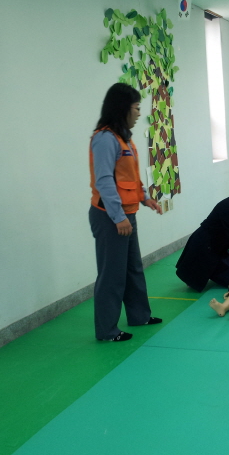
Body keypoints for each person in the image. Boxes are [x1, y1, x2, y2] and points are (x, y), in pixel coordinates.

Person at [88, 83, 163, 342]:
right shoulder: (105, 139)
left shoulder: (123, 138)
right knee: (112, 275)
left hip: (127, 213)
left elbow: (129, 176)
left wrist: (145, 198)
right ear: (123, 109)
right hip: (110, 217)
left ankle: (140, 315)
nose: (139, 113)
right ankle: (107, 331)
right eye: (136, 108)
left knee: (133, 269)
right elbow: (104, 181)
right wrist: (118, 217)